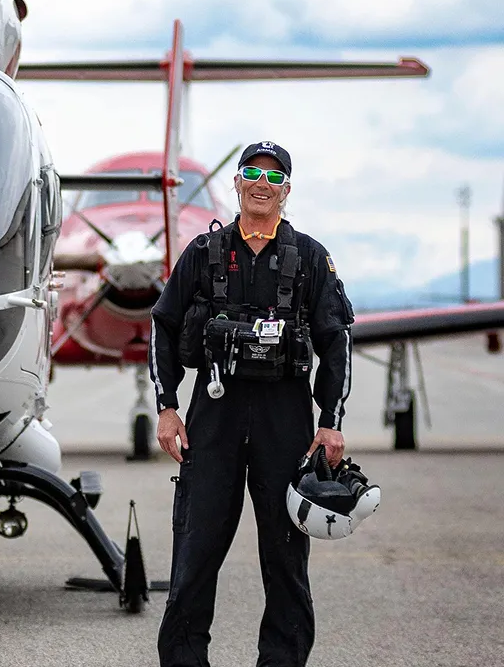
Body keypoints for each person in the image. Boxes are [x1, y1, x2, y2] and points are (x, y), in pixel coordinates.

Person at [148, 140, 355, 667]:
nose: (262, 183)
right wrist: (167, 406)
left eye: (274, 176)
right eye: (251, 173)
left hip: (284, 420)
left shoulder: (309, 257)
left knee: (285, 557)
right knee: (196, 553)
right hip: (213, 416)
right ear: (236, 184)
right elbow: (164, 325)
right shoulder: (203, 253)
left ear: (287, 189)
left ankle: (282, 661)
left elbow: (336, 341)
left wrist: (330, 423)